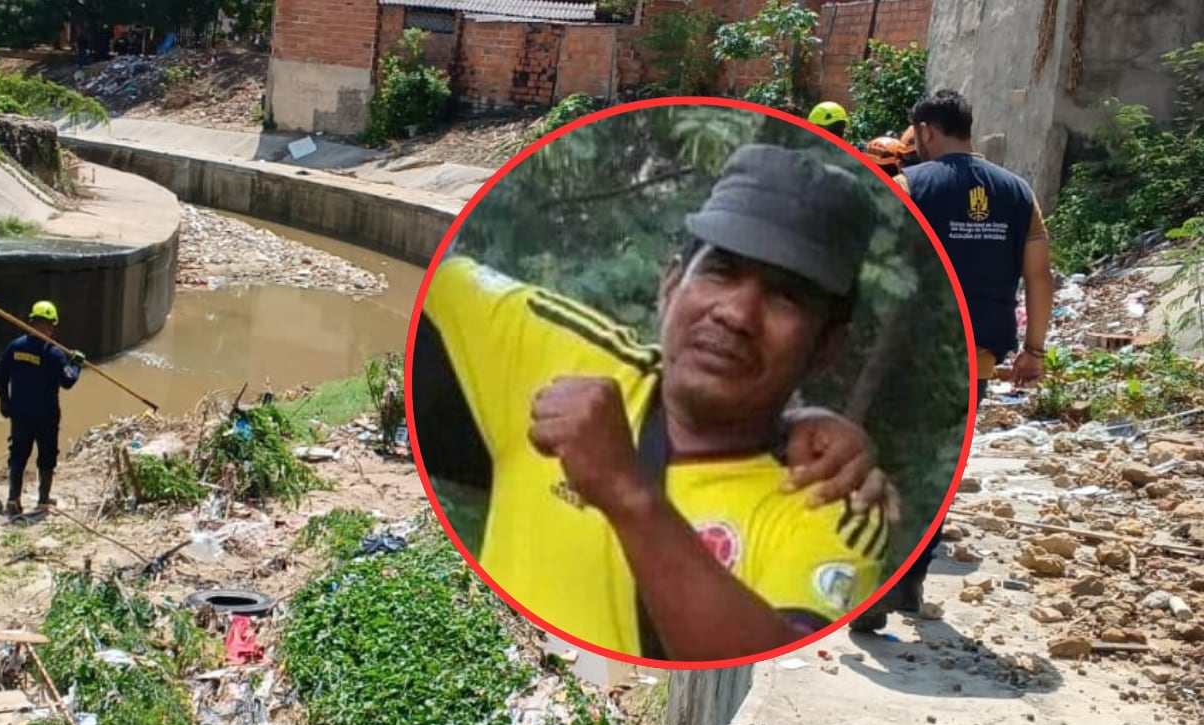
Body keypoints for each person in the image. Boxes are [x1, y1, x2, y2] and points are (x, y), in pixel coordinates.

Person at [422, 144, 895, 662]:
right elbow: (428, 276)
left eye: (785, 297)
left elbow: (780, 684)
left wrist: (626, 491)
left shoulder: (833, 501)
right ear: (671, 286)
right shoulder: (558, 352)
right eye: (721, 271)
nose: (737, 313)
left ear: (826, 345)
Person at [853, 89, 1055, 632]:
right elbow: (1039, 275)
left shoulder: (909, 186)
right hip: (977, 362)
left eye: (914, 136)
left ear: (924, 131)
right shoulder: (1018, 193)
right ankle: (910, 580)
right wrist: (1033, 349)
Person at [0, 301, 86, 516]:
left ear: (31, 321)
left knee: (18, 454)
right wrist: (76, 364)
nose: (51, 329)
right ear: (50, 325)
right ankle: (43, 500)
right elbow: (68, 382)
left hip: (20, 412)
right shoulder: (54, 354)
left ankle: (13, 498)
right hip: (46, 415)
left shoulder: (15, 347)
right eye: (51, 325)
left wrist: (4, 401)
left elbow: (1, 376)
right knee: (46, 456)